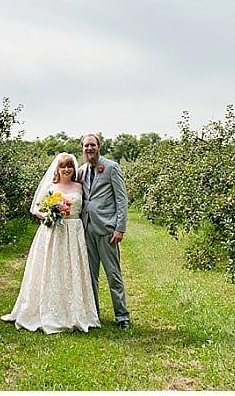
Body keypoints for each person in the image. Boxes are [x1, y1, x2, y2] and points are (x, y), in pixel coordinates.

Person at [1, 152, 100, 334]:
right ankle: (48, 309)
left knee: (72, 269)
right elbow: (36, 208)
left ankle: (74, 310)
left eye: (69, 166)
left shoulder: (79, 187)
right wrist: (48, 214)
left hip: (74, 231)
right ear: (58, 168)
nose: (66, 169)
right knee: (52, 268)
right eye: (63, 166)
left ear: (73, 168)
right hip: (54, 231)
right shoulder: (51, 186)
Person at [78, 133, 131, 330]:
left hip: (107, 230)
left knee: (113, 274)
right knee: (90, 275)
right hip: (87, 229)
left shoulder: (111, 167)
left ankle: (122, 316)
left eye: (92, 145)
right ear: (82, 148)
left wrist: (120, 227)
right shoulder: (81, 171)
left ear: (99, 146)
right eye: (86, 146)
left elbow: (121, 200)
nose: (89, 148)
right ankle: (94, 315)